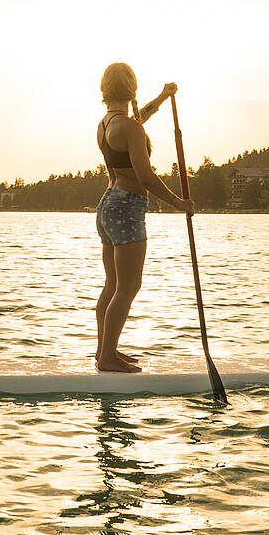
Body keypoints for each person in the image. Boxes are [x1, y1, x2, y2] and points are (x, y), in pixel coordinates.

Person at [94, 63, 194, 373]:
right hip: (127, 208)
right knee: (128, 286)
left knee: (113, 284)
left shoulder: (107, 123)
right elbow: (146, 176)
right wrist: (179, 202)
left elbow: (140, 119)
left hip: (108, 205)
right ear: (132, 89)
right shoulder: (129, 127)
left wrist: (163, 97)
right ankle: (108, 357)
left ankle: (104, 351)